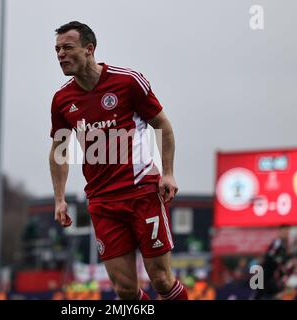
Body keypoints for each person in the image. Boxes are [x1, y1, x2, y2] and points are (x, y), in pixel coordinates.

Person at [49, 21, 187, 300]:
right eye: (57, 49)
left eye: (67, 47)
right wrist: (59, 198)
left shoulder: (128, 82)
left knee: (160, 279)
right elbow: (59, 150)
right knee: (125, 290)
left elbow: (162, 125)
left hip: (141, 192)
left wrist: (169, 173)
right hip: (102, 202)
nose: (61, 54)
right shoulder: (62, 99)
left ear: (89, 49)